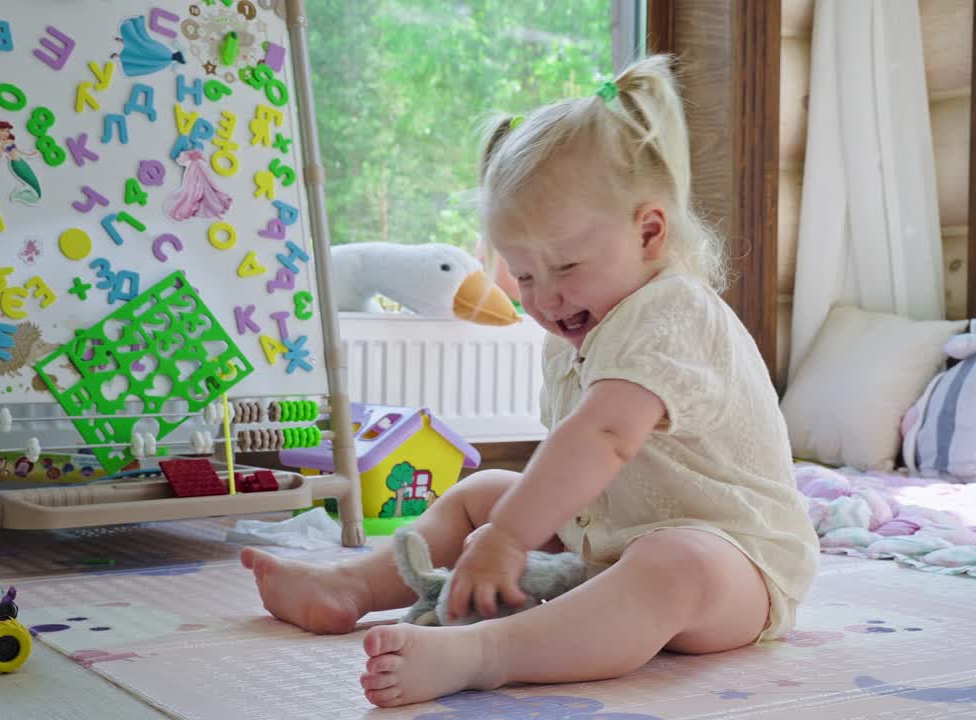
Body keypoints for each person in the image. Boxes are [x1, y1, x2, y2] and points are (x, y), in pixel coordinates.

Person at [240, 53, 820, 708]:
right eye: (523, 275)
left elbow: (603, 437)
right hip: (611, 541)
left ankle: (486, 653)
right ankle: (354, 585)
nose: (544, 298)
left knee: (673, 563)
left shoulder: (673, 313)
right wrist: (506, 524)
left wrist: (510, 538)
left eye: (566, 265)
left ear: (650, 232)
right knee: (484, 489)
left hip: (738, 568)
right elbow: (572, 473)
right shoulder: (571, 331)